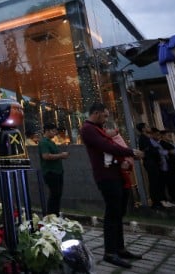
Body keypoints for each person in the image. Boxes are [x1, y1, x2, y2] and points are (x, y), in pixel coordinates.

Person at [80, 103, 144, 269]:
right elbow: (107, 146)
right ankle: (109, 252)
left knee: (119, 213)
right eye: (105, 115)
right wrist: (130, 152)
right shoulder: (88, 129)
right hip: (106, 176)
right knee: (112, 214)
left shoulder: (99, 128)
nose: (106, 119)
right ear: (96, 113)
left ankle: (120, 248)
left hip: (117, 175)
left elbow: (113, 146)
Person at [38, 123, 69, 215]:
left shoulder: (51, 141)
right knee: (54, 194)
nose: (55, 133)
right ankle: (51, 215)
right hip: (50, 172)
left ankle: (55, 214)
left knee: (58, 194)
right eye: (53, 131)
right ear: (47, 131)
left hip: (58, 171)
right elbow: (46, 156)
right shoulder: (44, 142)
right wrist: (61, 155)